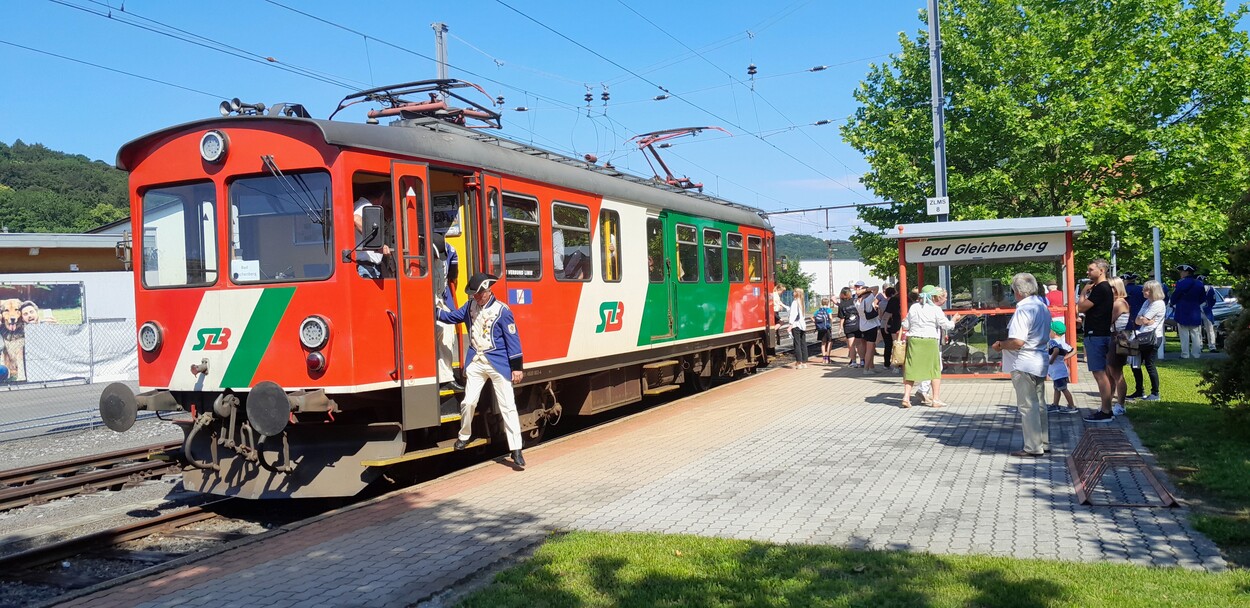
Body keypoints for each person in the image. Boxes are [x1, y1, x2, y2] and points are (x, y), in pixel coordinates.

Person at [437, 272, 527, 469]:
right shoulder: (470, 307)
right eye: (474, 294)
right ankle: (464, 435)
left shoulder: (503, 311)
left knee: (508, 406)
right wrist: (435, 312)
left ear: (488, 291)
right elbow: (452, 317)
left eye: (478, 294)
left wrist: (517, 368)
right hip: (476, 361)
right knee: (468, 402)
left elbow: (513, 340)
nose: (475, 297)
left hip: (498, 363)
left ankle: (516, 449)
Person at [992, 273, 1052, 457]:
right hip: (1039, 358)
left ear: (1017, 291)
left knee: (1028, 406)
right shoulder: (1042, 306)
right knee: (1040, 404)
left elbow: (1018, 341)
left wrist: (1001, 345)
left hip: (1024, 361)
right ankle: (1043, 442)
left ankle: (1033, 447)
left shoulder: (1023, 310)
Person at [901, 286, 961, 407]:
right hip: (930, 340)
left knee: (911, 369)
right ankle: (936, 399)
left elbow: (905, 325)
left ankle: (906, 397)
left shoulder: (914, 307)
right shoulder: (935, 309)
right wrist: (954, 319)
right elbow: (947, 325)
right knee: (934, 370)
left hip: (914, 340)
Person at [1080, 259, 1116, 423]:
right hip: (1100, 333)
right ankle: (1106, 408)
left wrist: (1082, 293)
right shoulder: (1104, 288)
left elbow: (1081, 307)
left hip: (1096, 334)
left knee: (1099, 374)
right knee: (1103, 373)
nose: (1088, 272)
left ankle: (1106, 411)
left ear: (1101, 270)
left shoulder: (1101, 288)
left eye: (1091, 269)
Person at [431, 234, 463, 392]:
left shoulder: (450, 250)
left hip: (439, 298)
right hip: (420, 299)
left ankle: (445, 377)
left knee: (448, 331)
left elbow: (452, 276)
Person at [1134, 280, 1167, 401]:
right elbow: (1138, 320)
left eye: (1147, 290)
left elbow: (1145, 318)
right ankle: (1139, 390)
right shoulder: (1147, 302)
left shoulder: (1158, 304)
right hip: (1142, 334)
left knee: (1149, 364)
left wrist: (1145, 319)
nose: (1144, 291)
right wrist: (1144, 320)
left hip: (1152, 337)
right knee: (1135, 364)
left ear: (1154, 291)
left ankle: (1155, 393)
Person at [1104, 277, 1132, 416]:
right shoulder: (1115, 302)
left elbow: (1107, 320)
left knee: (1116, 373)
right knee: (1109, 374)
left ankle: (1121, 404)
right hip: (1112, 337)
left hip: (1117, 339)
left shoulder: (1119, 303)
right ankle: (1108, 404)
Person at [353, 185, 393, 279]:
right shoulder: (365, 205)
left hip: (369, 267)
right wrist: (378, 243)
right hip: (366, 267)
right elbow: (356, 219)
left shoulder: (359, 204)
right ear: (382, 197)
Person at [1171, 264, 1205, 359]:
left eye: (1182, 271)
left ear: (1187, 272)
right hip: (1195, 310)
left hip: (1182, 310)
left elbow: (1175, 295)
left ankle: (1185, 354)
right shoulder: (1199, 283)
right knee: (1195, 333)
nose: (1180, 273)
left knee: (1184, 334)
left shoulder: (1180, 282)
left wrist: (1172, 303)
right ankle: (1196, 354)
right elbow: (1202, 299)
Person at [1122, 273, 1146, 399]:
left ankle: (1139, 389)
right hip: (1139, 326)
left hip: (1127, 326)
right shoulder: (1141, 290)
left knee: (1129, 359)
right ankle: (1139, 388)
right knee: (1136, 360)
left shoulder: (1124, 291)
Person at [1046, 321, 1077, 414]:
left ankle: (1072, 406)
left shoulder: (1052, 342)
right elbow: (1074, 350)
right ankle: (1055, 404)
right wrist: (1065, 357)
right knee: (1057, 388)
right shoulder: (1063, 343)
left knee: (1063, 388)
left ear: (1054, 333)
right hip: (1061, 369)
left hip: (1057, 370)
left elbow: (1055, 350)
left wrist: (1051, 360)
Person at [854, 281, 882, 375]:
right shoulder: (868, 300)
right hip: (871, 327)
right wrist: (865, 290)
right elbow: (876, 287)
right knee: (870, 350)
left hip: (862, 326)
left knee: (868, 348)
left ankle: (871, 367)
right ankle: (866, 369)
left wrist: (861, 291)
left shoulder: (857, 302)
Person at [786, 288, 810, 369]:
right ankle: (804, 362)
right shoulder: (802, 302)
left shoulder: (795, 302)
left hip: (796, 325)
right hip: (802, 325)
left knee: (797, 344)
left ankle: (799, 362)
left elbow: (794, 314)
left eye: (794, 291)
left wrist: (790, 325)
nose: (793, 293)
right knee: (803, 343)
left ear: (797, 293)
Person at [837, 287, 860, 367]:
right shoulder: (854, 301)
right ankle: (863, 360)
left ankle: (854, 362)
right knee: (859, 344)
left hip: (848, 326)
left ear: (842, 294)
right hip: (858, 324)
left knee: (851, 345)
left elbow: (842, 318)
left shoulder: (841, 305)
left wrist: (840, 328)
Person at [881, 286, 901, 372]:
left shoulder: (893, 300)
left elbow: (887, 314)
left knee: (894, 345)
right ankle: (899, 364)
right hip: (903, 325)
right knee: (899, 345)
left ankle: (895, 365)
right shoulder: (909, 299)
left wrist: (885, 325)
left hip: (895, 325)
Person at [813, 297, 835, 364]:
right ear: (828, 303)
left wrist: (816, 323)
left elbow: (813, 317)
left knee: (823, 343)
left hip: (820, 328)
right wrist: (831, 323)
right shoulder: (829, 310)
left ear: (822, 303)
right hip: (827, 328)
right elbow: (830, 317)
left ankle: (824, 359)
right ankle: (828, 358)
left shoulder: (818, 310)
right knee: (829, 342)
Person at [1200, 276, 1218, 352]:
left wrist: (1208, 307)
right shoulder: (1209, 289)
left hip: (1204, 311)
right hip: (1200, 311)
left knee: (1209, 329)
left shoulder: (1210, 289)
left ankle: (1210, 346)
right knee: (1199, 330)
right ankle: (1203, 346)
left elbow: (1213, 300)